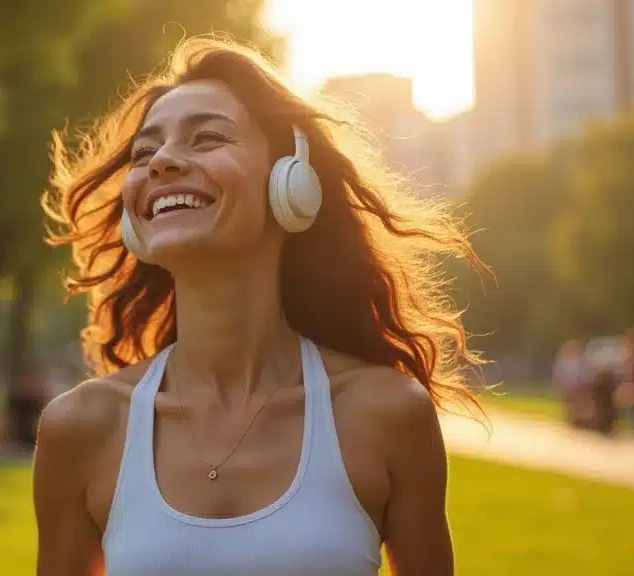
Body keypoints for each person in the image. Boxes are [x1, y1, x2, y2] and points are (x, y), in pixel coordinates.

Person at [35, 38, 484, 575]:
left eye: (207, 138)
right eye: (143, 153)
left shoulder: (387, 414)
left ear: (290, 181)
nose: (162, 163)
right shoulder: (80, 428)